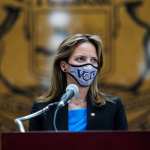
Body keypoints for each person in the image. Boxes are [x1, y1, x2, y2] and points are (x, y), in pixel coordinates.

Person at [29, 34, 128, 131]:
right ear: (64, 66)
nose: (88, 65)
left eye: (93, 60)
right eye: (81, 59)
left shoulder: (113, 106)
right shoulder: (42, 108)